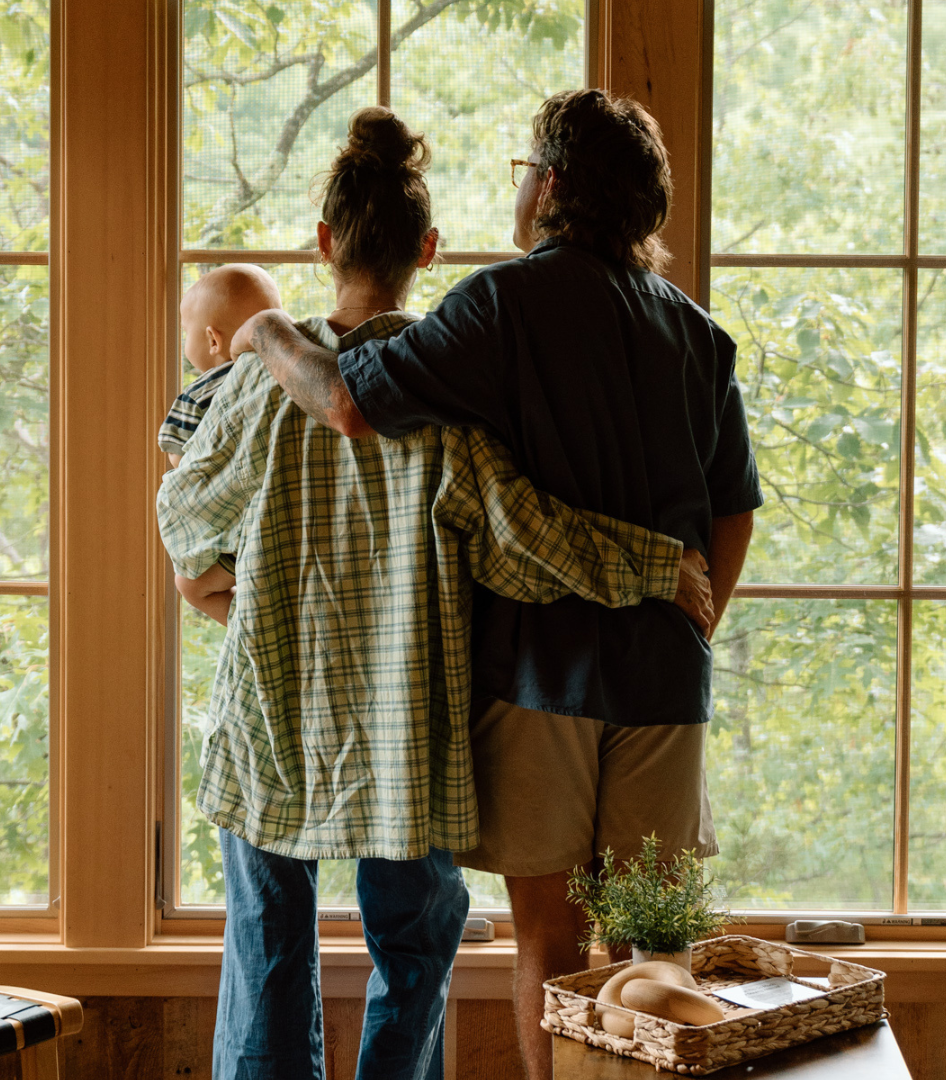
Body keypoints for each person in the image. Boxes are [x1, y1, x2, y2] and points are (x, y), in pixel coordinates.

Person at [157, 106, 714, 1080]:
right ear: (429, 248)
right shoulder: (444, 400)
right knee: (415, 952)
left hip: (271, 712)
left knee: (266, 942)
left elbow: (185, 527)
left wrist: (224, 597)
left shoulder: (250, 385)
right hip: (403, 725)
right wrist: (652, 565)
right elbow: (520, 541)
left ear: (325, 242)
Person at [161, 264, 282, 623]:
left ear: (213, 341)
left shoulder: (199, 393)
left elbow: (179, 459)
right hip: (285, 521)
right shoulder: (287, 373)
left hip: (230, 535)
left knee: (191, 586)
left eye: (186, 333)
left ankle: (254, 632)